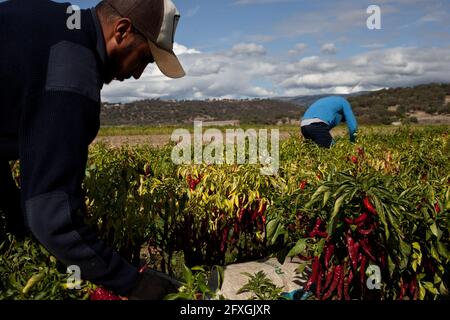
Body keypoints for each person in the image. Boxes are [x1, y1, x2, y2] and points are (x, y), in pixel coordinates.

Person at [0, 0, 185, 299]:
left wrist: (19, 224)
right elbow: (52, 219)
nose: (138, 74)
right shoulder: (71, 72)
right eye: (145, 58)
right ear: (122, 31)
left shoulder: (46, 23)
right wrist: (134, 284)